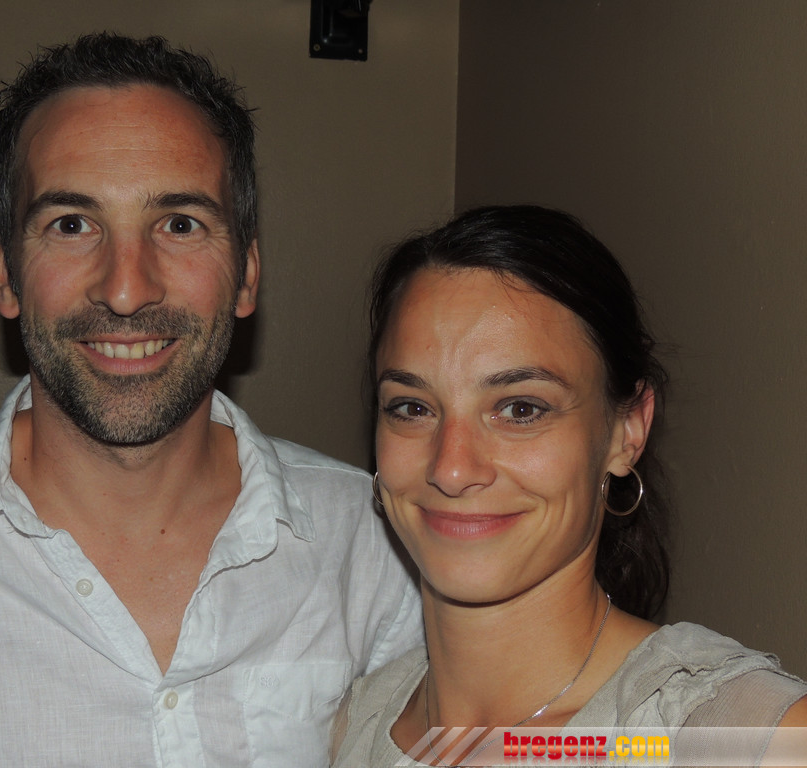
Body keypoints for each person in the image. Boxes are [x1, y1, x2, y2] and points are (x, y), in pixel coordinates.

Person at [0, 33, 421, 767]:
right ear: (5, 272)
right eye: (71, 224)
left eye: (179, 224)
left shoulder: (373, 542)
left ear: (247, 274)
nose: (125, 288)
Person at [331, 205, 807, 766]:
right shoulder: (357, 724)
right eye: (412, 408)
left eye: (521, 408)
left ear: (627, 431)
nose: (451, 468)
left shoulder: (743, 740)